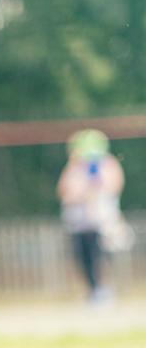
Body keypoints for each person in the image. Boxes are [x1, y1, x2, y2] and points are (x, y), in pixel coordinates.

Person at [57, 129, 126, 302]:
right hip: (78, 221)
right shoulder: (73, 166)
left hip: (100, 219)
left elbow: (114, 186)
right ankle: (93, 290)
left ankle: (105, 290)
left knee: (100, 255)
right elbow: (63, 191)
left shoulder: (107, 163)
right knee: (83, 256)